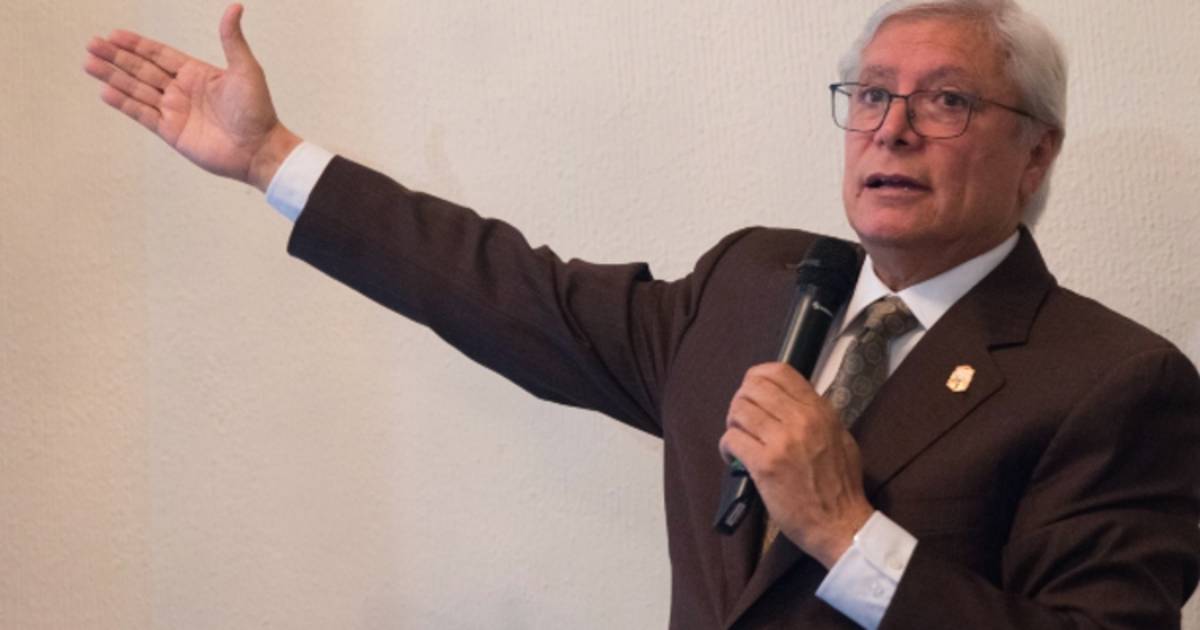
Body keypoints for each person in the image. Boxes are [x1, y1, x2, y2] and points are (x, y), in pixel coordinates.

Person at [83, 1, 1200, 628]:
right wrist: (272, 160)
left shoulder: (1115, 383)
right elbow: (510, 289)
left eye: (945, 100)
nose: (891, 127)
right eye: (870, 94)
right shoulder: (759, 284)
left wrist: (847, 534)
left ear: (1037, 151)